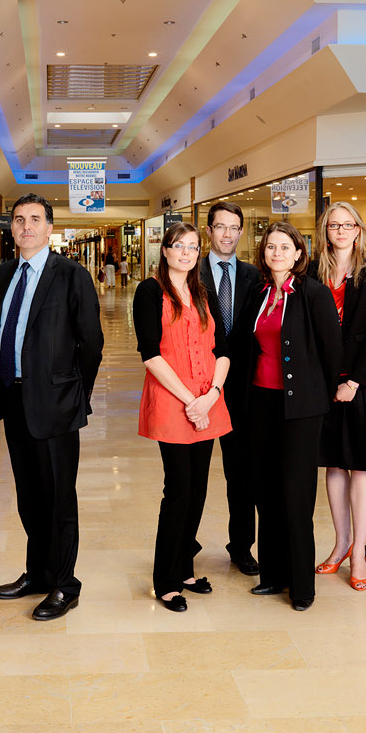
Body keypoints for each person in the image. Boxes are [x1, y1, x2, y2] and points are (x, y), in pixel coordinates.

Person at [0, 194, 103, 621]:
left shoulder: (71, 275)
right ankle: (37, 573)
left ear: (50, 228)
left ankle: (64, 585)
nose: (26, 226)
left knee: (58, 498)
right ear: (11, 228)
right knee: (29, 495)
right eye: (19, 220)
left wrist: (73, 395)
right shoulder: (4, 273)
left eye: (35, 220)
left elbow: (91, 344)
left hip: (56, 405)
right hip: (15, 400)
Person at [238, 222, 343, 611]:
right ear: (263, 254)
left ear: (300, 254)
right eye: (271, 247)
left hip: (300, 408)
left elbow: (332, 350)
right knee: (265, 490)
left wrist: (322, 394)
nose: (277, 253)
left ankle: (301, 586)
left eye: (285, 247)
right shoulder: (258, 293)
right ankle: (273, 575)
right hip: (260, 403)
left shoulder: (313, 293)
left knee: (296, 494)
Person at [134, 222, 230, 612]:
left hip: (207, 401)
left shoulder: (204, 294)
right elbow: (149, 352)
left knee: (200, 489)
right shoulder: (150, 291)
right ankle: (166, 579)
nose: (187, 253)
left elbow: (223, 348)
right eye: (179, 246)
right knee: (178, 490)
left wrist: (212, 395)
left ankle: (185, 565)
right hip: (174, 402)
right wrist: (191, 399)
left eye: (193, 247)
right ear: (166, 250)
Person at [310, 202, 366, 591]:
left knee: (360, 466)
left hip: (360, 382)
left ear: (359, 230)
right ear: (325, 230)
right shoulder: (312, 271)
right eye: (333, 225)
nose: (341, 230)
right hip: (323, 383)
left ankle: (359, 551)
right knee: (334, 466)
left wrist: (354, 382)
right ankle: (339, 544)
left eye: (348, 224)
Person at [200, 201, 263, 575]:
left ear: (241, 232)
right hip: (196, 388)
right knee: (189, 475)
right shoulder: (190, 271)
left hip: (241, 391)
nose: (226, 234)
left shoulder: (254, 276)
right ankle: (185, 541)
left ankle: (241, 546)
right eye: (220, 226)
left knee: (241, 475)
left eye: (233, 227)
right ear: (209, 230)